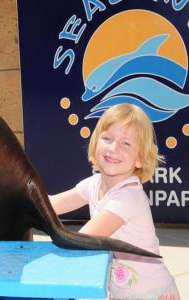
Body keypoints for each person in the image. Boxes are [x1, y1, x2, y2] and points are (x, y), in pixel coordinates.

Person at [49, 104, 180, 300]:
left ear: (140, 159)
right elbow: (50, 205)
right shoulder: (93, 184)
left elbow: (82, 240)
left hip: (153, 294)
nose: (113, 148)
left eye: (126, 143)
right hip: (121, 292)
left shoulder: (128, 197)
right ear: (95, 144)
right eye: (107, 138)